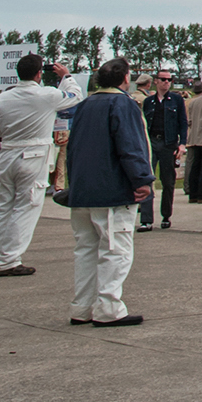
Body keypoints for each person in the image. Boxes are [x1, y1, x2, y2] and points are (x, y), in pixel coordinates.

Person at [65, 59, 154, 326]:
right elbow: (130, 144)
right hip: (111, 189)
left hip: (83, 189)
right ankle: (108, 307)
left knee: (86, 250)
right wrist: (141, 179)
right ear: (125, 78)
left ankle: (82, 306)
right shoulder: (122, 104)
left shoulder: (84, 105)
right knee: (115, 249)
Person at [0, 56, 83, 276]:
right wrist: (66, 77)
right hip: (34, 153)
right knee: (27, 207)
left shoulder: (2, 98)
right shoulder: (46, 94)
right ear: (39, 74)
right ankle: (8, 259)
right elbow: (75, 96)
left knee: (3, 206)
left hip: (7, 153)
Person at [138, 70, 188, 232]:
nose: (167, 82)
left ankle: (166, 215)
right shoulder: (149, 102)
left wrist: (182, 144)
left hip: (169, 143)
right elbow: (144, 123)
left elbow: (182, 123)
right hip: (152, 142)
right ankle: (146, 219)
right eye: (163, 79)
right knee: (147, 179)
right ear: (156, 81)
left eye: (169, 79)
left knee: (168, 181)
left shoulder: (176, 100)